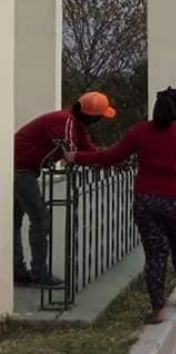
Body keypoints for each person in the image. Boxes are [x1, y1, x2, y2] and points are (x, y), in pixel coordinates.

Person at [65, 89, 176, 325]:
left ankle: (157, 309)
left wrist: (76, 157)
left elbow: (111, 156)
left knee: (155, 255)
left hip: (147, 202)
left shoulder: (140, 131)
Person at [13, 92, 116, 286]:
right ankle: (38, 273)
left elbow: (89, 150)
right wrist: (100, 159)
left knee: (14, 219)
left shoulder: (75, 124)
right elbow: (71, 153)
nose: (100, 121)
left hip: (23, 167)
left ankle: (17, 270)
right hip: (19, 169)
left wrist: (112, 161)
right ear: (91, 117)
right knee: (39, 218)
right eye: (100, 117)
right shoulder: (66, 121)